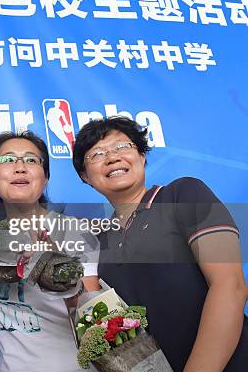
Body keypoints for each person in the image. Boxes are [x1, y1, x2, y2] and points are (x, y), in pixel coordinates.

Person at [72, 116, 248, 372]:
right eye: (97, 154)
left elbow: (230, 286)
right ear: (85, 176)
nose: (112, 157)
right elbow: (104, 329)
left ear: (142, 156)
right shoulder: (98, 242)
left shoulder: (183, 194)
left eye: (123, 147)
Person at [0, 131, 99, 372]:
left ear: (45, 178)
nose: (20, 167)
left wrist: (58, 271)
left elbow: (95, 318)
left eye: (31, 159)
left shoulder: (73, 230)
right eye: (7, 160)